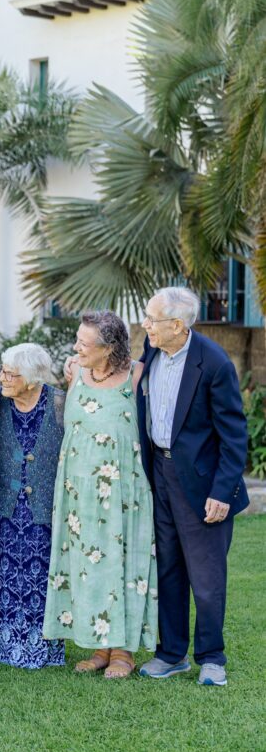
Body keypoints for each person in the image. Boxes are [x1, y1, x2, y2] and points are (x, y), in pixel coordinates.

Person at [136, 287, 248, 686]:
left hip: (202, 485)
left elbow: (234, 436)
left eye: (152, 319)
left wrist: (221, 492)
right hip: (161, 475)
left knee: (206, 576)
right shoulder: (152, 351)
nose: (145, 324)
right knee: (168, 569)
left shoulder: (213, 363)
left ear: (177, 325)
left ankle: (212, 658)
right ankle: (171, 654)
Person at [44, 311, 157, 679]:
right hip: (78, 492)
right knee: (87, 564)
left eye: (83, 342)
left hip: (123, 492)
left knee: (123, 563)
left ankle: (123, 651)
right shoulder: (75, 372)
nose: (76, 347)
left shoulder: (136, 375)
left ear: (108, 348)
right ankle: (99, 645)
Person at [0, 343, 66, 671]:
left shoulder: (60, 403)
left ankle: (41, 648)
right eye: (3, 370)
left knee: (41, 578)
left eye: (11, 373)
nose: (3, 378)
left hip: (44, 507)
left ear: (32, 379)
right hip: (7, 507)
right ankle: (3, 645)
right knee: (6, 577)